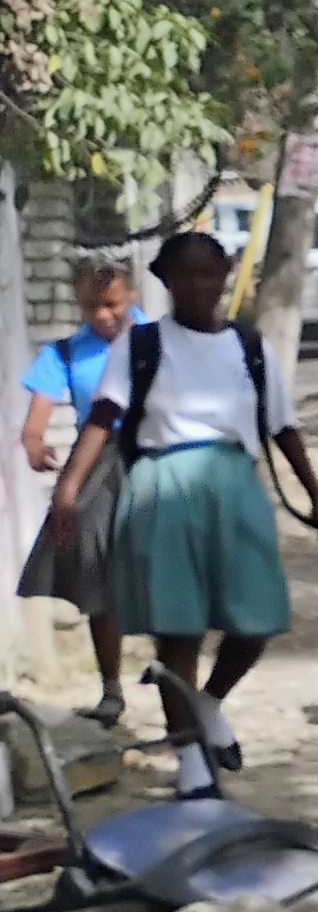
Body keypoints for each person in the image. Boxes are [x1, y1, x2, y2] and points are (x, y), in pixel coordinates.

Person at [47, 232, 318, 763]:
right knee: (178, 631)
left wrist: (317, 496)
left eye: (210, 272)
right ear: (166, 281)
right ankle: (190, 763)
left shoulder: (249, 346)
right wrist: (68, 487)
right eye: (186, 274)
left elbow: (282, 425)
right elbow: (103, 415)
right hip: (162, 486)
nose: (199, 284)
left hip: (235, 484)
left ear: (227, 273)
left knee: (256, 619)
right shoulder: (140, 345)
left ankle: (209, 704)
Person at [17, 264, 149, 722]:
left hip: (154, 453)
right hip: (96, 460)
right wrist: (34, 443)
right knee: (95, 569)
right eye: (93, 306)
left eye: (113, 303)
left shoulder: (159, 337)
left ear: (131, 295)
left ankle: (178, 671)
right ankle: (112, 688)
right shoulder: (67, 352)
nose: (105, 314)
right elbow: (36, 419)